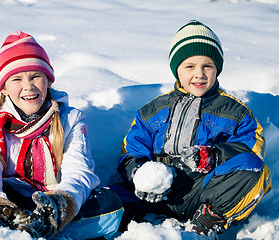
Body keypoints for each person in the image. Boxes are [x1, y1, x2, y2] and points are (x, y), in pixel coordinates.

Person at [0, 30, 123, 239]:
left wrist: (60, 207)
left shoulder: (69, 119)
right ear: (5, 89)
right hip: (6, 194)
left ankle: (41, 225)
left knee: (110, 206)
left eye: (36, 76)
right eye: (16, 79)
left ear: (49, 81)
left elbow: (79, 171)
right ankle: (13, 223)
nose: (28, 86)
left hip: (48, 198)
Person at [109, 20, 271, 236]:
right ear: (177, 69)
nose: (199, 74)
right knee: (103, 198)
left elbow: (252, 148)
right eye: (190, 66)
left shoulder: (234, 111)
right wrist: (140, 174)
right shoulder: (154, 109)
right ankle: (127, 222)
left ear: (217, 69)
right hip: (155, 191)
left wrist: (214, 156)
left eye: (208, 66)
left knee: (254, 169)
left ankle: (209, 220)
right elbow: (132, 150)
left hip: (201, 191)